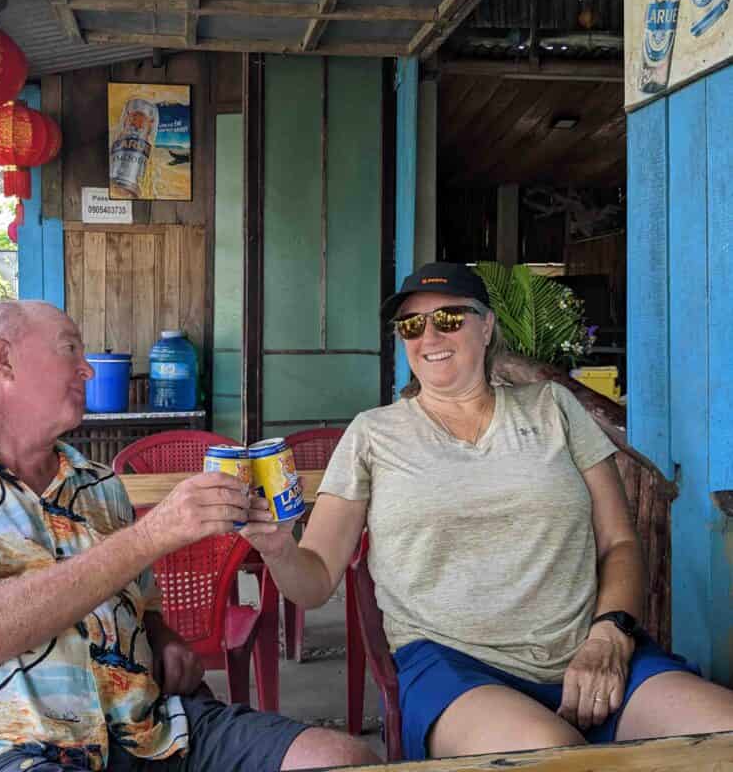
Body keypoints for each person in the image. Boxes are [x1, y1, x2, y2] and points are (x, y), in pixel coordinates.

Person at [0, 301, 379, 772]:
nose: (86, 366)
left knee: (346, 760)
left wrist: (166, 640)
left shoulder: (99, 485)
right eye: (69, 349)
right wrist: (153, 535)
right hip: (0, 744)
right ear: (4, 360)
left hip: (150, 734)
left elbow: (141, 609)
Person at [242, 262, 733, 760]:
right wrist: (280, 549)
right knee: (553, 758)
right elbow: (318, 576)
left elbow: (619, 543)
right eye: (411, 324)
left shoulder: (554, 408)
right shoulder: (373, 434)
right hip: (454, 667)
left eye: (449, 318)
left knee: (724, 732)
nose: (428, 335)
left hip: (589, 650)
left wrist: (609, 634)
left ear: (488, 325)